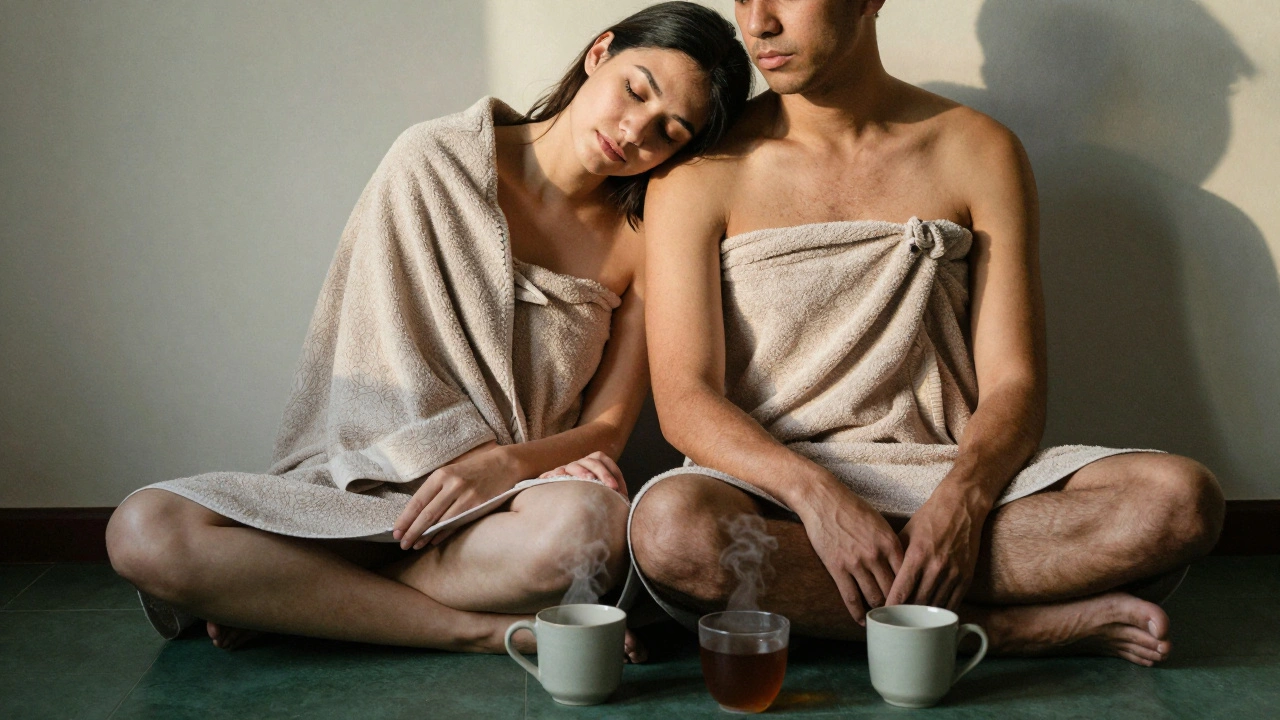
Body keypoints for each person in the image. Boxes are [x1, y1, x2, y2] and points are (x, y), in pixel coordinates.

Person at [105, 1, 753, 657]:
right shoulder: (436, 159)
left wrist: (503, 465)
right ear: (599, 54)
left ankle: (299, 598)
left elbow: (607, 430)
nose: (635, 129)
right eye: (635, 90)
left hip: (509, 502)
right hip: (374, 479)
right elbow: (374, 365)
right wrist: (447, 457)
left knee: (590, 530)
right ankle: (480, 631)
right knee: (144, 529)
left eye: (670, 130)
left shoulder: (643, 242)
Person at [629, 0, 1223, 668]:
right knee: (671, 531)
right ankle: (1005, 630)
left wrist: (961, 506)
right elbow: (686, 399)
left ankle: (863, 605)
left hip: (944, 472)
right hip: (777, 495)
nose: (758, 22)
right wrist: (820, 501)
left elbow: (1014, 381)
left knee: (1181, 502)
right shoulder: (699, 173)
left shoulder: (979, 150)